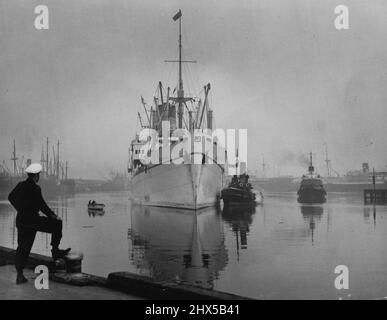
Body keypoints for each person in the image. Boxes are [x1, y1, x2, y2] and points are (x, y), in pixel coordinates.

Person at [8, 163, 70, 284]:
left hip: (21, 220)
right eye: (39, 174)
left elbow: (10, 197)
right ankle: (55, 251)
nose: (39, 176)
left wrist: (20, 209)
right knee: (57, 224)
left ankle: (19, 275)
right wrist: (53, 215)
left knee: (22, 247)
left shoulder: (20, 185)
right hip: (33, 221)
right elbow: (42, 205)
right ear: (36, 175)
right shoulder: (36, 188)